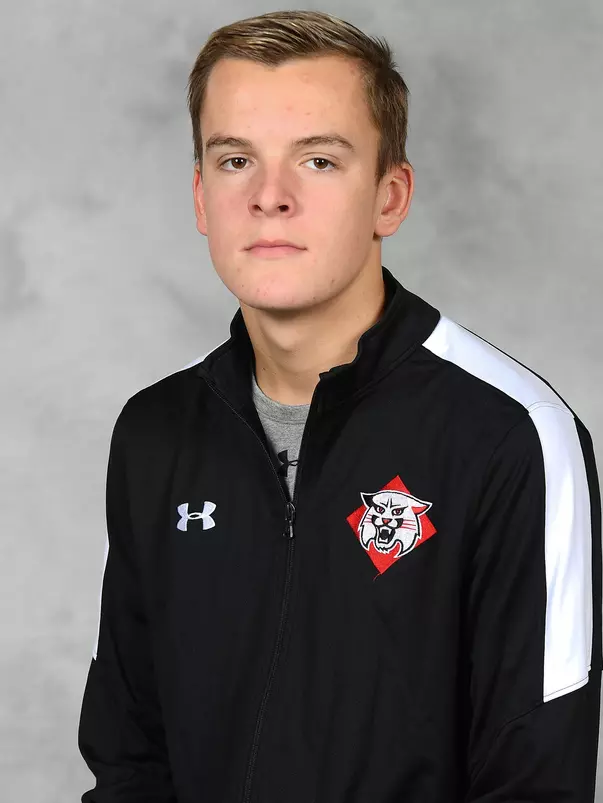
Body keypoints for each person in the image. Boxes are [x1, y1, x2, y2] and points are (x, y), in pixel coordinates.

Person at [78, 9, 602, 802]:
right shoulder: (156, 432)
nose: (269, 197)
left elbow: (535, 781)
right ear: (199, 196)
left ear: (389, 198)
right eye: (234, 161)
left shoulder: (510, 435)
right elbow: (129, 760)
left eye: (318, 160)